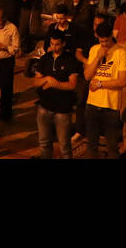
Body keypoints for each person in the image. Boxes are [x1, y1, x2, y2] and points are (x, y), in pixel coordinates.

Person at [83, 20, 126, 158]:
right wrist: (98, 57)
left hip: (111, 106)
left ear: (111, 36)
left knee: (112, 146)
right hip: (92, 104)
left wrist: (100, 84)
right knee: (91, 145)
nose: (104, 44)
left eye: (106, 41)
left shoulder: (120, 51)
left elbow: (122, 81)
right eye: (101, 41)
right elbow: (87, 76)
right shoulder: (94, 50)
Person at [33, 28, 79, 159]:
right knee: (44, 143)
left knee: (64, 146)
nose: (54, 47)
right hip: (44, 107)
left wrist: (54, 83)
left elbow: (72, 85)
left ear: (63, 43)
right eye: (52, 44)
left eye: (57, 44)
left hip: (62, 111)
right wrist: (46, 79)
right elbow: (36, 81)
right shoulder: (45, 58)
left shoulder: (70, 60)